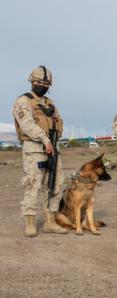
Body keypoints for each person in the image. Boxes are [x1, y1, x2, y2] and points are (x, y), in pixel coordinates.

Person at [13, 66, 68, 237]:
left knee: (55, 184)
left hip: (53, 148)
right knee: (33, 185)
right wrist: (43, 139)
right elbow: (27, 125)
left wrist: (52, 140)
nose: (43, 85)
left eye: (46, 83)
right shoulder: (23, 101)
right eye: (39, 82)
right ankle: (30, 223)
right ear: (32, 82)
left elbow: (59, 124)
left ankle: (50, 222)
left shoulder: (50, 104)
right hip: (34, 148)